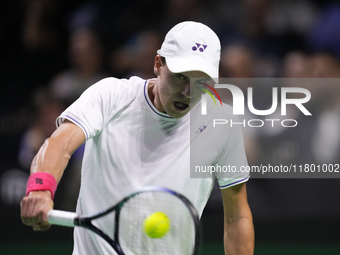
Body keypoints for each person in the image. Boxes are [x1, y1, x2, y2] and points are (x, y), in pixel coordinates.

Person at [20, 21, 254, 255]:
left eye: (200, 82)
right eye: (180, 77)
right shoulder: (111, 96)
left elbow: (237, 217)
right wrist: (40, 189)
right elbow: (60, 144)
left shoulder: (222, 124)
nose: (188, 92)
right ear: (158, 64)